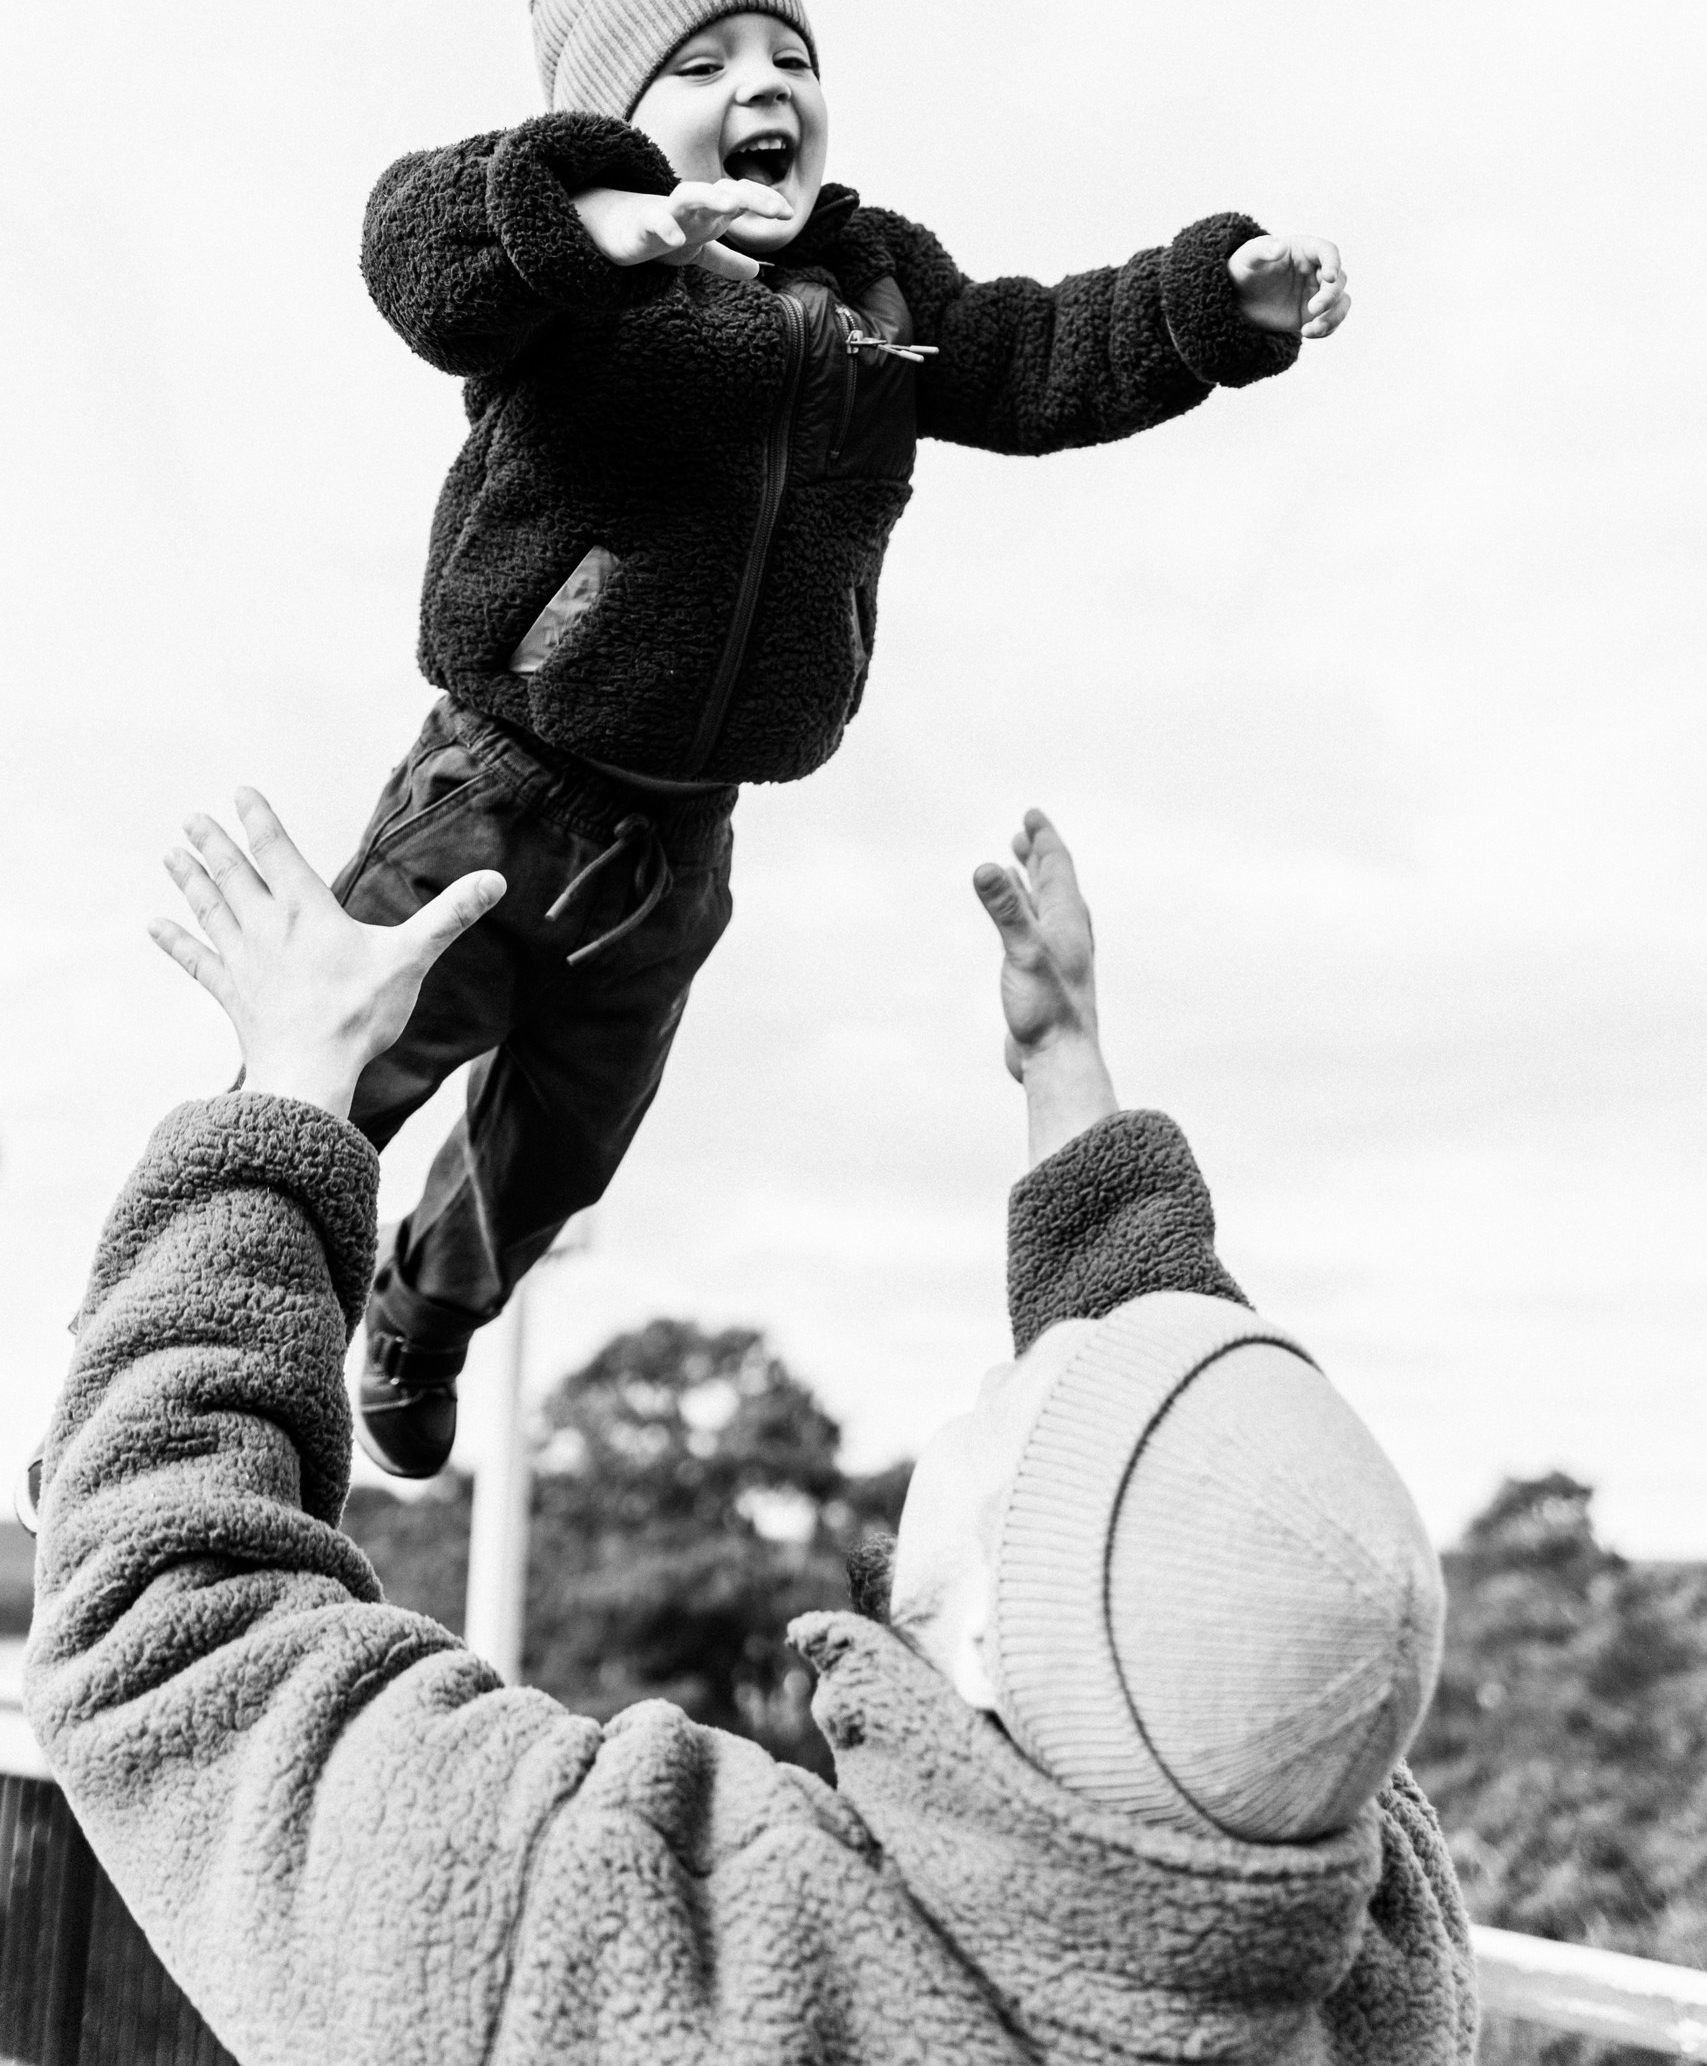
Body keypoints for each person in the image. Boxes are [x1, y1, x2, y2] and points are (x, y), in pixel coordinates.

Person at [25, 791, 1474, 2066]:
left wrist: (293, 1081)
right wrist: (1068, 1078)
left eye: (1027, 1403)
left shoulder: (678, 1975)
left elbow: (173, 1630)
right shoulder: (1369, 1973)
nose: (1030, 1356)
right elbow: (1245, 1572)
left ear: (982, 1644)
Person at [340, 0, 1354, 1476]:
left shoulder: (882, 285)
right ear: (621, 116)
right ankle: (150, 1366)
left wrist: (1206, 310)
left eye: (791, 60)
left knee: (556, 1152)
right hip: (491, 789)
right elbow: (414, 254)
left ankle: (419, 1322)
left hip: (679, 851)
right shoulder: (574, 275)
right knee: (330, 1072)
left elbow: (1033, 355)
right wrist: (572, 217)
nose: (766, 87)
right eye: (706, 65)